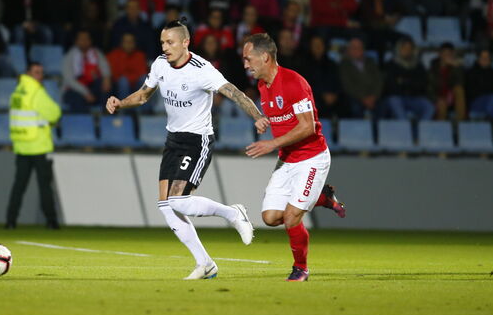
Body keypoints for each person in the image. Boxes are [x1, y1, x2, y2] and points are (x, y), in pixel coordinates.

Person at [105, 19, 261, 280]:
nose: (165, 47)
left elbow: (234, 92)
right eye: (163, 42)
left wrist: (257, 116)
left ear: (185, 42)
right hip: (173, 140)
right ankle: (206, 264)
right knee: (166, 206)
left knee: (179, 201)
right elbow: (144, 95)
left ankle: (233, 213)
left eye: (170, 42)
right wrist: (120, 103)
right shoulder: (159, 64)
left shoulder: (202, 70)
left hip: (197, 140)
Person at [240, 33, 345, 282]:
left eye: (248, 58)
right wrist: (265, 121)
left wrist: (272, 144)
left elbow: (307, 126)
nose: (245, 64)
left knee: (290, 217)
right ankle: (323, 198)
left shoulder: (293, 82)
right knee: (270, 218)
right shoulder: (262, 86)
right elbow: (281, 118)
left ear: (264, 57)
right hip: (288, 160)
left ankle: (301, 269)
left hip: (312, 157)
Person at [6, 61, 61, 229]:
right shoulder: (36, 91)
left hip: (22, 146)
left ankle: (10, 221)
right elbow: (55, 113)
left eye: (41, 72)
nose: (40, 76)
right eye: (37, 72)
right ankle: (51, 221)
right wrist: (49, 123)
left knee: (18, 186)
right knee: (44, 186)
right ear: (29, 73)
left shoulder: (17, 92)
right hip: (38, 146)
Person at [62, 29, 111, 113]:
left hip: (92, 88)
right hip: (75, 90)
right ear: (76, 41)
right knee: (77, 98)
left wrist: (106, 78)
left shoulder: (96, 53)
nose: (84, 41)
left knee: (106, 86)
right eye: (81, 39)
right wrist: (85, 93)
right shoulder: (69, 56)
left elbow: (105, 68)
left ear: (90, 41)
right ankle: (83, 124)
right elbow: (69, 80)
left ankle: (106, 118)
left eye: (87, 39)